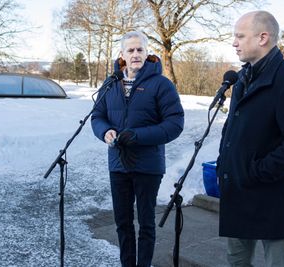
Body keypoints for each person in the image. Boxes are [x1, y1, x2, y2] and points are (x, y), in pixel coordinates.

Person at [216, 11, 284, 267]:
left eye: (239, 36)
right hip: (239, 195)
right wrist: (223, 163)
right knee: (236, 262)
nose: (234, 42)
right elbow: (232, 128)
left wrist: (256, 172)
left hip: (274, 200)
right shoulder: (242, 79)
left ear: (263, 37)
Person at [91, 31, 184, 267]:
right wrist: (105, 132)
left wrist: (138, 136)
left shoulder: (161, 84)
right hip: (118, 163)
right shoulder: (111, 83)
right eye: (130, 50)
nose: (135, 54)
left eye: (139, 50)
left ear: (147, 52)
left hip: (148, 165)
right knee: (122, 222)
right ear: (122, 55)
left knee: (146, 223)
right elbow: (97, 116)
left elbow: (175, 124)